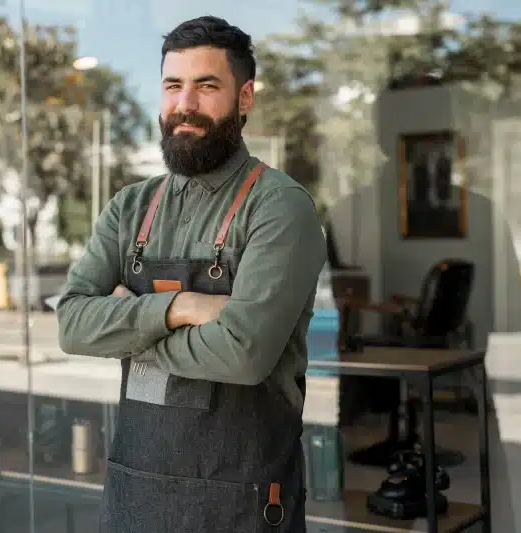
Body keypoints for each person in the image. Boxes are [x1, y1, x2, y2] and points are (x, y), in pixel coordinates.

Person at [57, 15, 326, 533]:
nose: (185, 104)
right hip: (135, 491)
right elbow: (71, 323)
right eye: (173, 86)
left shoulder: (278, 207)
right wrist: (178, 309)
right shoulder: (130, 208)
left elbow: (244, 355)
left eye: (206, 86)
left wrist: (123, 327)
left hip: (243, 501)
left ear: (244, 98)